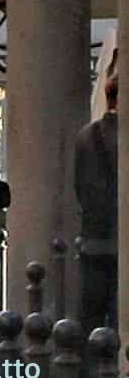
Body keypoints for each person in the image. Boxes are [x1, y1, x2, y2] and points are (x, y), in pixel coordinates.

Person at [78, 41, 119, 329]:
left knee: (92, 312)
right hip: (119, 240)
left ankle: (85, 369)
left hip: (93, 239)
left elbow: (78, 186)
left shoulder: (85, 136)